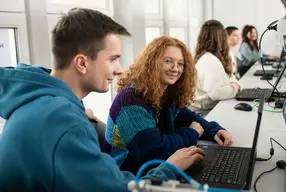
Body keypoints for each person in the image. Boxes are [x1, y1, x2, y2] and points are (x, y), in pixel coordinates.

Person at [0, 8, 205, 192]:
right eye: (112, 59)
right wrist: (170, 167)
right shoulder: (62, 120)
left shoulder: (42, 98)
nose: (119, 69)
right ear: (82, 63)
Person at [103, 36, 232, 174]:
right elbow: (154, 151)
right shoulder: (130, 100)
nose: (175, 68)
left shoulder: (165, 93)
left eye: (180, 64)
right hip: (127, 175)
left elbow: (188, 117)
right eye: (167, 61)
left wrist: (213, 130)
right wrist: (192, 133)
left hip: (156, 169)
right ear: (152, 62)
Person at [190, 20, 241, 117]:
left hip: (205, 110)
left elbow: (228, 76)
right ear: (221, 38)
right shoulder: (209, 60)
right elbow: (216, 92)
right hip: (204, 114)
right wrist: (235, 88)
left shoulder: (208, 57)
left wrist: (233, 82)